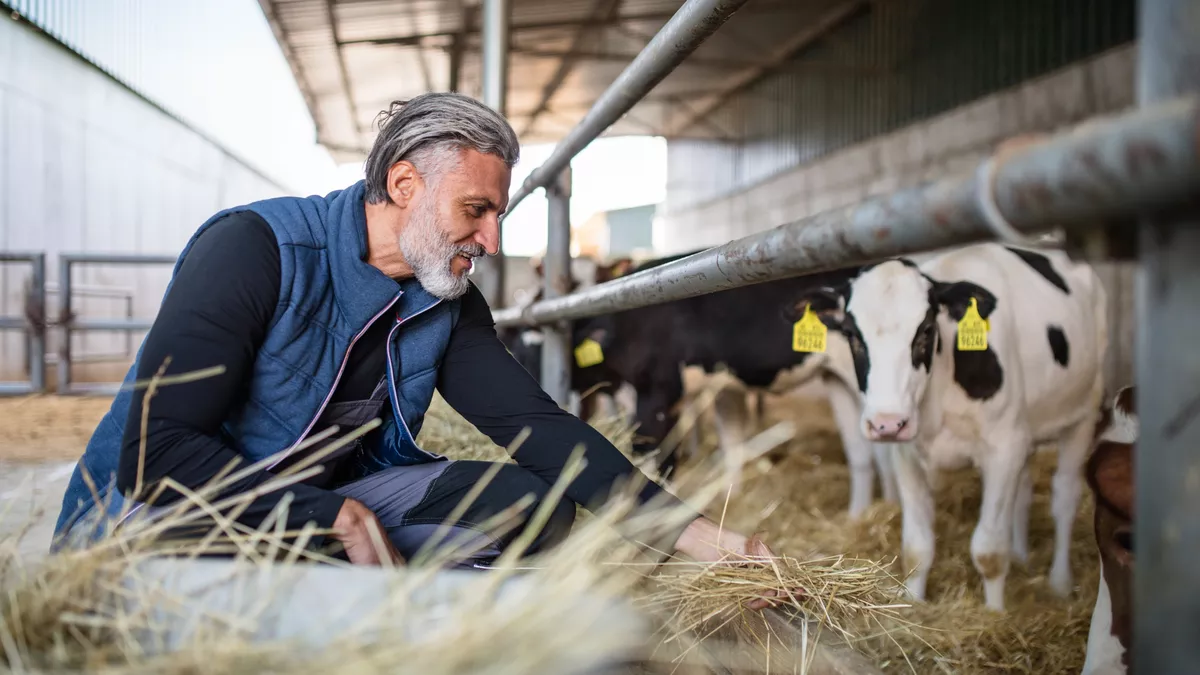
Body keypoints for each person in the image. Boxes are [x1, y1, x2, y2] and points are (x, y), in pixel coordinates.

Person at [50, 93, 786, 606]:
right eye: (477, 210)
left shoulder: (445, 298)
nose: (493, 240)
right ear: (404, 183)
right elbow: (154, 455)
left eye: (497, 213)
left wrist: (697, 535)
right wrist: (327, 517)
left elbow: (541, 429)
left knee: (539, 509)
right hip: (165, 511)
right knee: (313, 544)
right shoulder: (254, 250)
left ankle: (387, 605)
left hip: (328, 497)